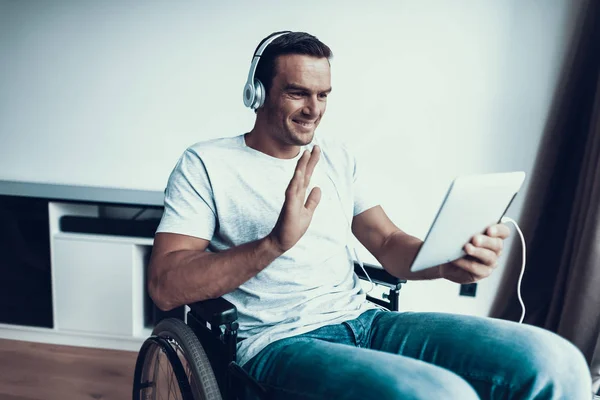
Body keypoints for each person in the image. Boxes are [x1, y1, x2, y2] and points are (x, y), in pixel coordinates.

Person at [148, 31, 592, 399]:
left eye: (323, 95)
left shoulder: (336, 156)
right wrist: (272, 245)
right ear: (257, 93)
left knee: (558, 365)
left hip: (363, 319)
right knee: (441, 395)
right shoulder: (206, 164)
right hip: (276, 343)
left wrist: (445, 262)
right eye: (298, 93)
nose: (313, 109)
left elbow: (385, 242)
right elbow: (166, 286)